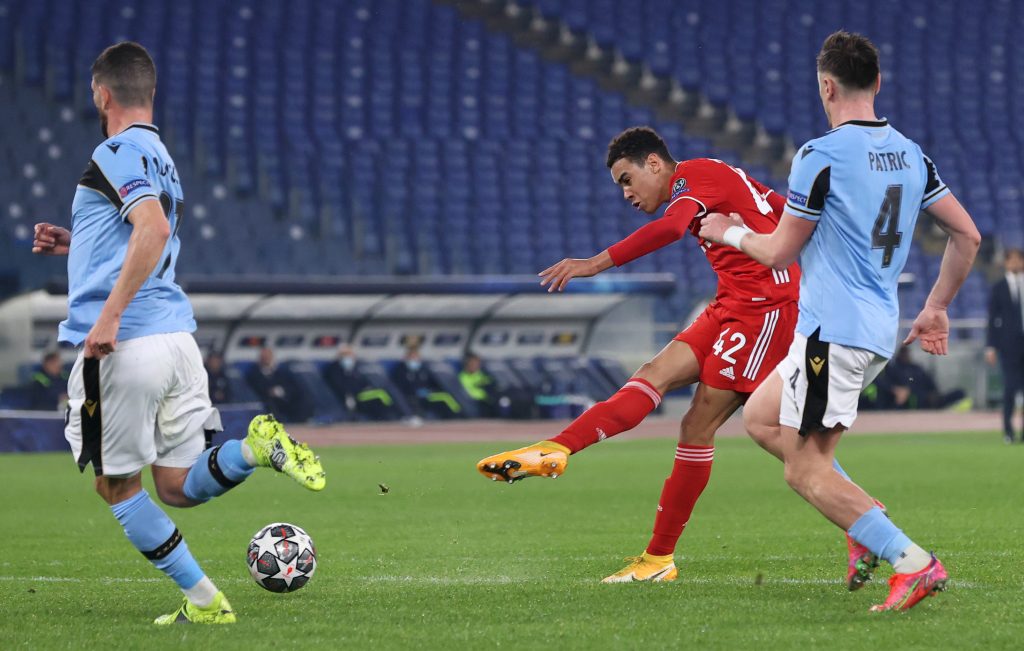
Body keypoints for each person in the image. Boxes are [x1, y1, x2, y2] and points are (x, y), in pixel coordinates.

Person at [477, 126, 880, 588]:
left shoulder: (693, 177)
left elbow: (672, 228)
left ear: (654, 164)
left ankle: (859, 516)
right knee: (654, 374)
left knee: (705, 426)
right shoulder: (717, 178)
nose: (626, 193)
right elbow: (785, 210)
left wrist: (593, 263)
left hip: (765, 310)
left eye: (627, 179)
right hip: (730, 304)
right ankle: (557, 448)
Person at [31, 42, 325, 625]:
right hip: (176, 342)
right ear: (151, 93)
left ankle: (206, 602)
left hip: (128, 345)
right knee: (174, 485)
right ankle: (253, 448)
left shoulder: (114, 150)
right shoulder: (160, 155)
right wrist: (79, 242)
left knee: (116, 487)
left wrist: (110, 315)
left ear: (102, 94)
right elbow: (141, 231)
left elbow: (154, 230)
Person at [699, 31, 980, 611]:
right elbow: (967, 235)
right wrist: (937, 306)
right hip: (868, 330)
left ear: (826, 86)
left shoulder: (819, 155)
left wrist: (727, 230)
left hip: (834, 334)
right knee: (760, 418)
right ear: (877, 82)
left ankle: (913, 562)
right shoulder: (911, 154)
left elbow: (778, 252)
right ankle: (863, 520)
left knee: (804, 471)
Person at [985, 248, 1024, 443]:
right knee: (1009, 388)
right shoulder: (998, 287)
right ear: (1006, 263)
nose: (1015, 263)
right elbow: (992, 319)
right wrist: (991, 346)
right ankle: (1008, 431)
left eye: (1018, 259)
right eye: (1012, 260)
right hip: (1009, 346)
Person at [323, 343, 399, 420]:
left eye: (349, 354)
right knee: (380, 393)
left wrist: (368, 387)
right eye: (344, 354)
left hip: (362, 393)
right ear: (339, 356)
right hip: (353, 395)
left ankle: (392, 414)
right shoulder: (334, 369)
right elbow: (339, 385)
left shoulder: (355, 367)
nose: (347, 357)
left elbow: (362, 381)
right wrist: (349, 394)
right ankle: (395, 414)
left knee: (383, 393)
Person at [876, 346, 967, 411]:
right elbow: (884, 382)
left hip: (926, 399)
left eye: (907, 353)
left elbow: (929, 382)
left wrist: (933, 393)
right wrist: (896, 390)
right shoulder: (894, 369)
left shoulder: (916, 368)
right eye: (903, 353)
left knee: (959, 392)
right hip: (905, 402)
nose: (905, 355)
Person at [390, 344, 460, 420]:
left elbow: (433, 383)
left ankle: (458, 415)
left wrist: (430, 390)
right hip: (410, 396)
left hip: (427, 395)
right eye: (411, 357)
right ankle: (412, 417)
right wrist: (414, 392)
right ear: (406, 358)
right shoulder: (400, 370)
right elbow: (398, 387)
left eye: (416, 357)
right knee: (411, 402)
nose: (414, 360)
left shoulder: (424, 369)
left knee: (444, 397)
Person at [245, 347, 310, 423]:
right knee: (270, 403)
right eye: (264, 357)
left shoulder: (281, 372)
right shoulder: (254, 373)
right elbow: (256, 387)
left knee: (301, 397)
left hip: (283, 398)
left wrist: (283, 391)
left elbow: (291, 385)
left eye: (268, 357)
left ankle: (302, 421)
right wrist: (270, 391)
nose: (266, 359)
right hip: (268, 399)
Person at [458, 353, 495, 417]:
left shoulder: (481, 374)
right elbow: (467, 393)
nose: (475, 366)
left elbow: (489, 383)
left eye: (477, 364)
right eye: (473, 363)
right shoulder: (462, 377)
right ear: (467, 364)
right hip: (474, 403)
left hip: (486, 401)